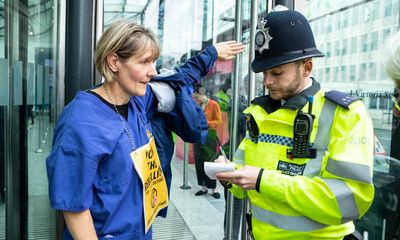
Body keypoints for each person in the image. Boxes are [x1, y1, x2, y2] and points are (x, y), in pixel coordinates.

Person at [46, 19, 244, 239]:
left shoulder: (138, 101)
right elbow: (74, 206)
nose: (153, 71)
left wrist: (211, 53)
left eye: (154, 61)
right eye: (144, 62)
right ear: (114, 62)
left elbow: (178, 80)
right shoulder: (81, 121)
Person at [216, 8, 374, 240]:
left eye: (277, 73)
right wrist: (229, 174)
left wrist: (263, 180)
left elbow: (349, 201)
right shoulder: (258, 113)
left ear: (307, 67)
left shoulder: (346, 114)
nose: (267, 82)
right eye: (264, 73)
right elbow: (243, 186)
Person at [192, 86, 223, 199]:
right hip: (198, 136)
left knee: (210, 161)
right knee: (199, 161)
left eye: (197, 97)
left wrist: (206, 123)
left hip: (209, 136)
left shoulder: (214, 104)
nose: (196, 99)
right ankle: (203, 187)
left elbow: (218, 121)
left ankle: (213, 188)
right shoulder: (197, 106)